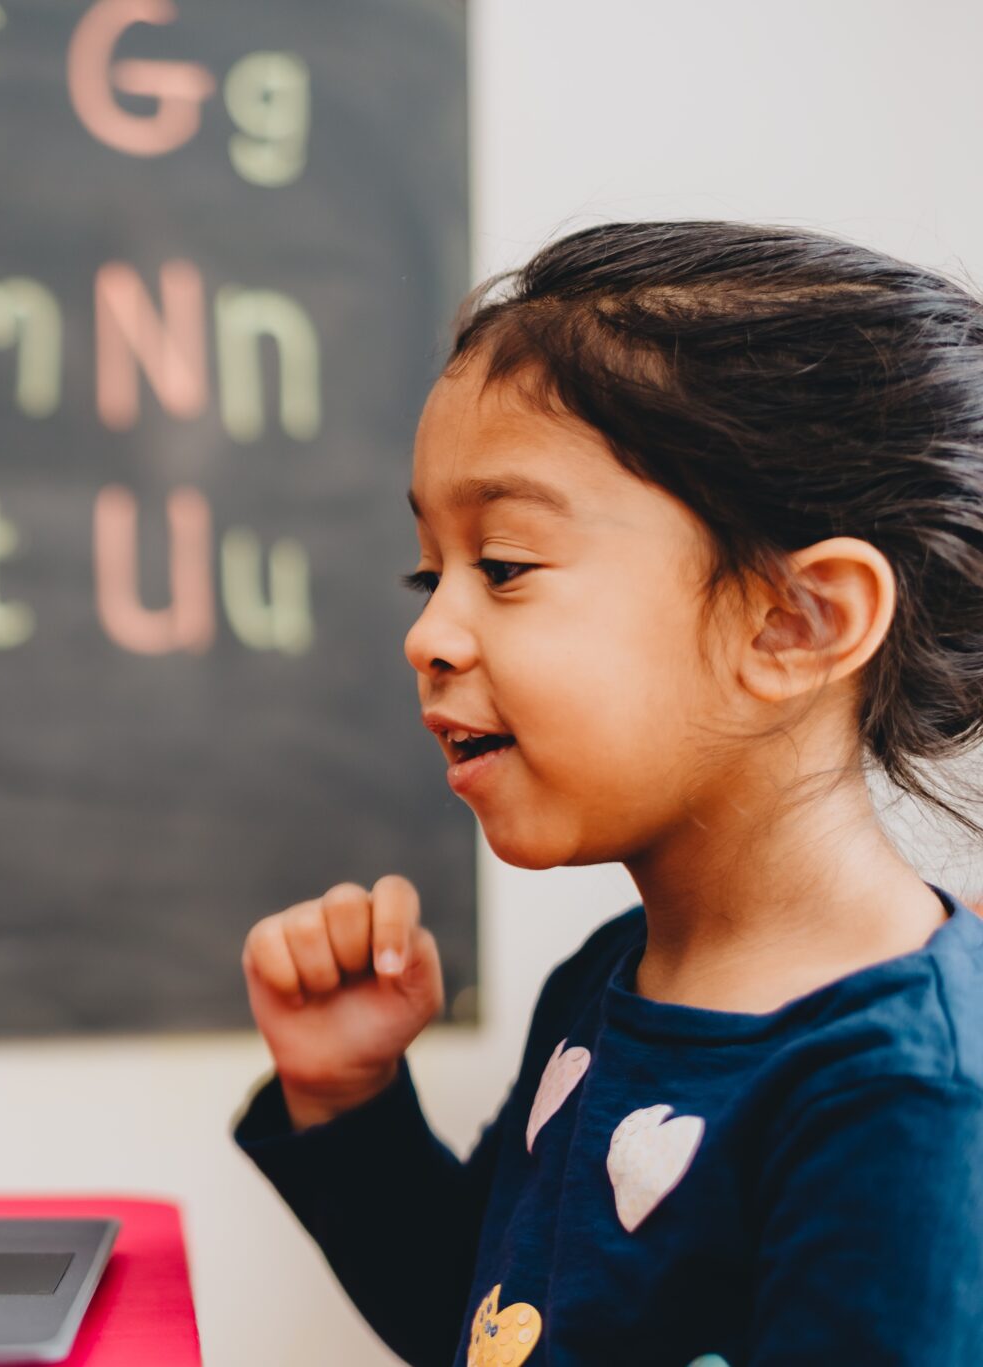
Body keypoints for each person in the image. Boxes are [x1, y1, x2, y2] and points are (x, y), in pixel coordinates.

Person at [232, 220, 983, 1366]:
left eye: (503, 566)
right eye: (427, 572)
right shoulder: (609, 980)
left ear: (795, 622)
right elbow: (481, 1323)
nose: (426, 632)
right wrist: (346, 1093)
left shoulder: (906, 1098)